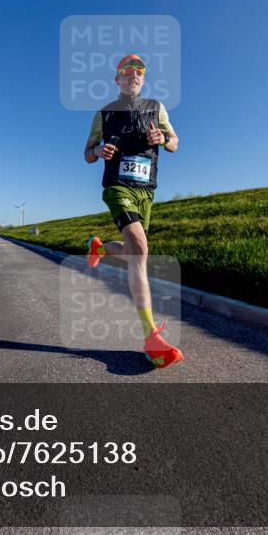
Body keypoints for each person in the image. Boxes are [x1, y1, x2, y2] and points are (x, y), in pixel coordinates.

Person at [83, 54, 183, 369]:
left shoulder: (157, 107)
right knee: (140, 248)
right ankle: (150, 335)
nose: (134, 75)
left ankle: (99, 246)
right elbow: (87, 153)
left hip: (146, 191)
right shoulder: (104, 114)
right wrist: (97, 151)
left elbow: (175, 141)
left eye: (139, 71)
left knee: (130, 251)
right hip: (117, 186)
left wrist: (163, 138)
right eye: (128, 71)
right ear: (117, 79)